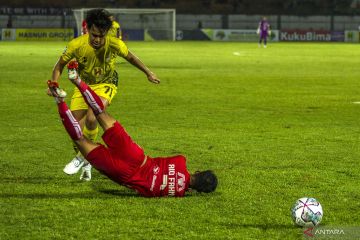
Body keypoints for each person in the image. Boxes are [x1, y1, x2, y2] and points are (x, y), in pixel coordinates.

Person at [46, 62, 218, 197]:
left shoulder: (181, 161)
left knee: (100, 113)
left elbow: (164, 163)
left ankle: (77, 80)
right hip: (124, 174)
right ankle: (59, 100)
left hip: (136, 156)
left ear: (198, 171)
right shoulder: (177, 194)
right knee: (80, 140)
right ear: (197, 191)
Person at [48, 8, 160, 181]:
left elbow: (131, 57)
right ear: (88, 29)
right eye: (94, 35)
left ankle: (81, 158)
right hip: (83, 85)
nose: (97, 39)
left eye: (101, 36)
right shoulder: (76, 44)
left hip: (106, 83)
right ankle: (87, 162)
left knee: (93, 117)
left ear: (107, 32)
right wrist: (54, 84)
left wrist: (148, 72)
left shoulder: (115, 43)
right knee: (75, 127)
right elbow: (59, 65)